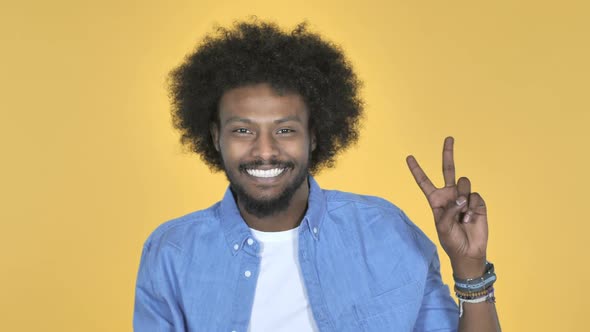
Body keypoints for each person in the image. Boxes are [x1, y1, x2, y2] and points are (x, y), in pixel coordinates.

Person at [133, 20, 501, 332]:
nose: (264, 150)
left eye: (286, 130)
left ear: (314, 135)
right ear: (216, 136)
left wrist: (469, 268)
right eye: (243, 131)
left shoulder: (386, 233)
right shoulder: (173, 253)